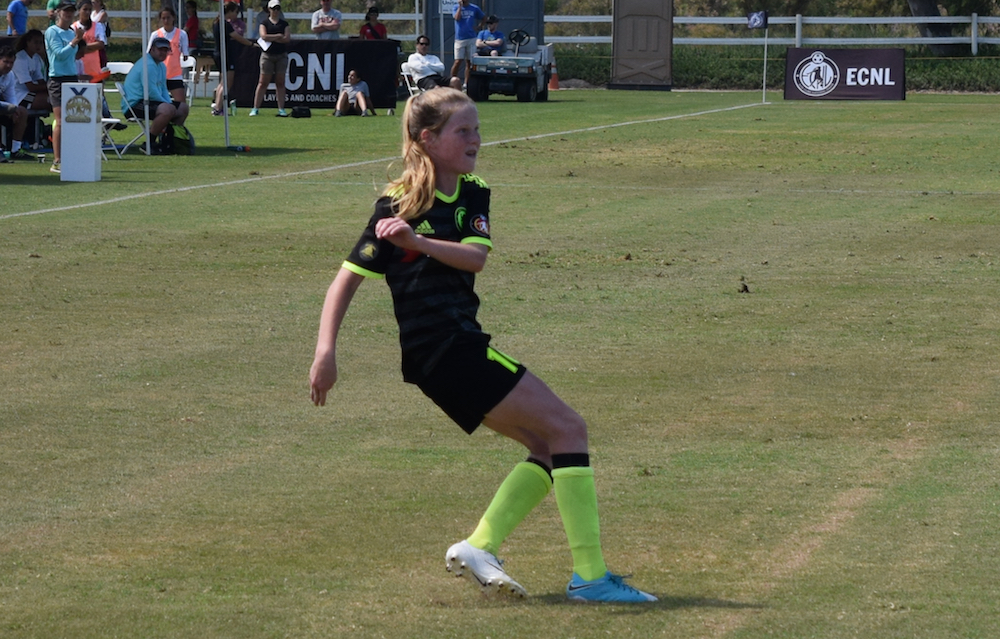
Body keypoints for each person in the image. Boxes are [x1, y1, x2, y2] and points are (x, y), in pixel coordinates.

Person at [309, 88, 659, 604]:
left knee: (549, 446)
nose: (476, 139)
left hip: (450, 353)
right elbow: (346, 279)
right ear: (427, 139)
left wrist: (418, 241)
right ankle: (590, 578)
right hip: (448, 351)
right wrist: (325, 351)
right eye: (463, 131)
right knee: (570, 428)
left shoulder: (472, 191)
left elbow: (474, 257)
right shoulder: (395, 204)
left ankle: (480, 545)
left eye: (476, 128)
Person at [121, 36, 189, 145]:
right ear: (152, 49)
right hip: (134, 104)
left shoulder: (161, 66)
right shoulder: (148, 65)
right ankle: (149, 143)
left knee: (183, 108)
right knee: (167, 109)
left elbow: (162, 89)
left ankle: (170, 140)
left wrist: (170, 103)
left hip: (148, 101)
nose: (162, 53)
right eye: (160, 49)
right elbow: (150, 92)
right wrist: (168, 105)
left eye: (165, 50)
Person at [44, 0, 85, 173]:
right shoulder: (52, 31)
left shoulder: (71, 32)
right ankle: (57, 160)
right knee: (60, 121)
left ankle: (72, 156)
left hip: (71, 78)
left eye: (71, 11)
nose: (68, 14)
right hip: (57, 80)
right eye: (65, 11)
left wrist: (76, 40)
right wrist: (75, 41)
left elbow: (73, 57)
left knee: (73, 120)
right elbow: (59, 55)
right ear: (58, 12)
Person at [211, 1, 252, 116]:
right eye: (235, 12)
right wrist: (250, 44)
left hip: (218, 53)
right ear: (229, 12)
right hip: (226, 55)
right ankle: (219, 108)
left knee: (222, 82)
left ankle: (217, 107)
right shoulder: (225, 24)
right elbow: (238, 37)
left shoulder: (216, 22)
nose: (236, 15)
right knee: (227, 83)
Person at [249, 0, 289, 117]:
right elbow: (264, 36)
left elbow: (286, 38)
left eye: (277, 8)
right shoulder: (264, 23)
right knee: (263, 82)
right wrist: (277, 36)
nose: (275, 11)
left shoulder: (284, 24)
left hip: (281, 55)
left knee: (280, 82)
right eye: (273, 8)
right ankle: (255, 108)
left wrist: (272, 38)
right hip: (267, 56)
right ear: (269, 9)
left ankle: (281, 109)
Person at [149, 6, 190, 103]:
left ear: (173, 18)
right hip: (159, 75)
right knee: (157, 102)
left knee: (181, 104)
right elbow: (149, 54)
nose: (166, 20)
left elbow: (185, 55)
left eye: (168, 17)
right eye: (163, 18)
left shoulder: (182, 34)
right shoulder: (156, 35)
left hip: (175, 75)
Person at [0, 45, 31, 160]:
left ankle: (15, 149)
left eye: (11, 63)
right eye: (5, 62)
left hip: (4, 105)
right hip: (5, 104)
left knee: (21, 111)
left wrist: (14, 109)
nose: (8, 65)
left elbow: (11, 96)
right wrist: (10, 108)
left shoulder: (10, 75)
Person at [13, 29, 50, 112]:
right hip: (19, 96)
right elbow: (31, 87)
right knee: (51, 101)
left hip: (31, 93)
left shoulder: (36, 57)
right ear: (28, 42)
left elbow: (40, 80)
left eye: (41, 42)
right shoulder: (20, 59)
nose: (39, 45)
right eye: (36, 42)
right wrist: (50, 87)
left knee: (56, 97)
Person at [71, 0, 106, 83]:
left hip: (94, 69)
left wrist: (82, 47)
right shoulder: (73, 27)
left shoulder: (97, 26)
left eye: (90, 10)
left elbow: (101, 44)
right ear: (79, 10)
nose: (87, 12)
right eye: (85, 9)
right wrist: (92, 47)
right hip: (79, 70)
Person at [450, 0, 484, 87]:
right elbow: (457, 18)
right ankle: (452, 81)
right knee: (458, 61)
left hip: (471, 37)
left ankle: (467, 83)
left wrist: (479, 26)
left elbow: (483, 17)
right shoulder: (456, 7)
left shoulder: (474, 8)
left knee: (469, 61)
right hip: (460, 38)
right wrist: (460, 7)